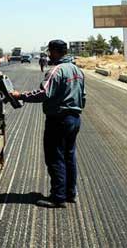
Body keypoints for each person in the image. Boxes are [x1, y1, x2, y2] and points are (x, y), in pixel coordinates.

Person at [10, 39, 85, 208]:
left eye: (50, 51)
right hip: (74, 118)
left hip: (58, 120)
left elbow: (44, 93)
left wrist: (20, 95)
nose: (48, 55)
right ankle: (70, 193)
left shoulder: (55, 71)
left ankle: (58, 197)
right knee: (69, 156)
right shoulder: (78, 71)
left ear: (56, 52)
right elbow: (83, 96)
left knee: (55, 157)